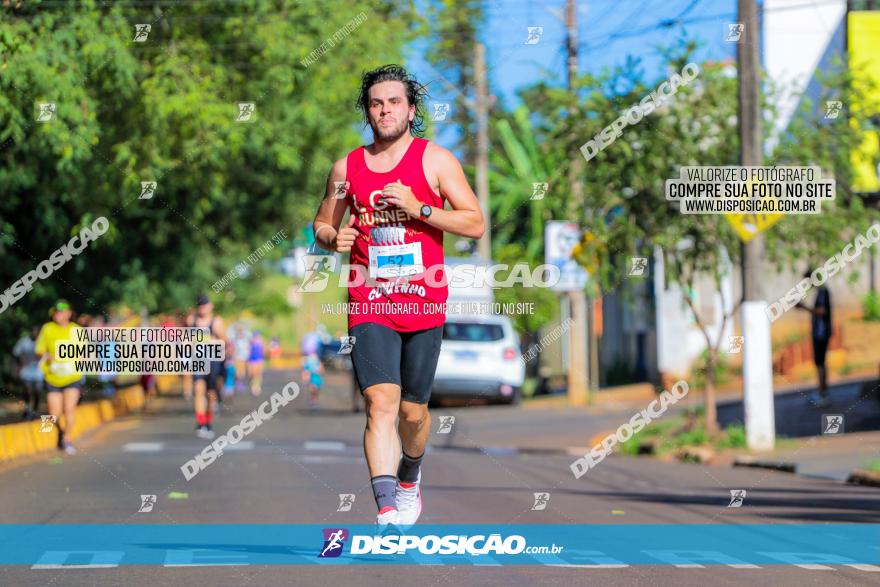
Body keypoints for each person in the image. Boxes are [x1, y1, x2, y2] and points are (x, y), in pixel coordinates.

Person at [311, 64, 484, 528]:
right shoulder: (346, 167)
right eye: (375, 103)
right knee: (380, 403)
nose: (384, 110)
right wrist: (332, 239)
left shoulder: (436, 161)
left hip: (424, 302)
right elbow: (323, 222)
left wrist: (420, 208)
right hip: (371, 300)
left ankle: (410, 476)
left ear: (411, 110)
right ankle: (387, 509)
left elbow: (474, 222)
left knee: (413, 411)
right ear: (367, 111)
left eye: (393, 102)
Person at [35, 300, 84, 455]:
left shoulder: (76, 330)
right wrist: (48, 357)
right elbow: (39, 350)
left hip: (72, 377)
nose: (58, 315)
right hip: (52, 377)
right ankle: (47, 436)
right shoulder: (47, 329)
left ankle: (66, 438)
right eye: (56, 312)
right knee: (53, 413)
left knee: (69, 410)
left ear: (69, 313)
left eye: (62, 312)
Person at [190, 295, 228, 438]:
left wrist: (213, 342)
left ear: (210, 306)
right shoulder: (192, 321)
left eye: (205, 305)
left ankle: (208, 421)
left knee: (210, 393)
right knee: (198, 389)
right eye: (200, 305)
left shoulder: (216, 322)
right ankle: (200, 423)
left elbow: (224, 340)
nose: (203, 308)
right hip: (198, 359)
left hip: (213, 360)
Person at [797, 271, 833, 408]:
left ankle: (823, 393)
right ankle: (822, 391)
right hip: (819, 332)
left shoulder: (823, 292)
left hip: (821, 333)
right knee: (820, 363)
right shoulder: (820, 291)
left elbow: (822, 311)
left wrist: (804, 307)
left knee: (820, 362)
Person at [13, 327, 42, 420]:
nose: (35, 334)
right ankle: (27, 409)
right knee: (27, 391)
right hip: (26, 371)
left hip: (38, 372)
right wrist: (18, 368)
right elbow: (16, 355)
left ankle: (34, 410)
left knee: (37, 392)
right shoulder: (23, 342)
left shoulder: (42, 342)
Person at [247, 331, 266, 396]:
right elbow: (249, 351)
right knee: (253, 374)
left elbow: (263, 351)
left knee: (259, 374)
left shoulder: (261, 342)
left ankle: (257, 387)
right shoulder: (251, 342)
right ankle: (253, 386)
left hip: (260, 359)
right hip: (253, 359)